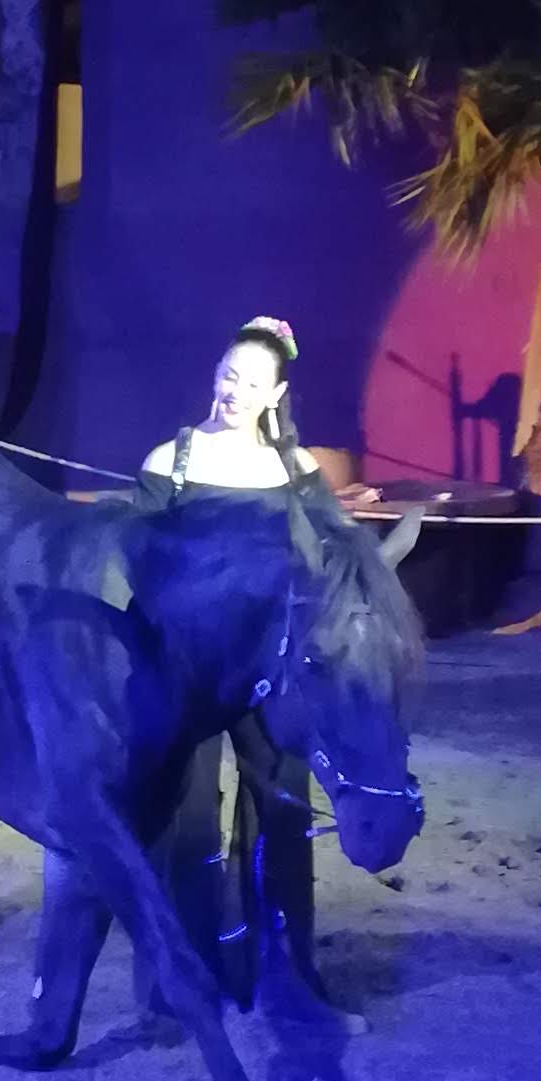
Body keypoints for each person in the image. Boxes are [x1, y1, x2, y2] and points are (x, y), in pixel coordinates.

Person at [134, 318, 364, 1014]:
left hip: (271, 676)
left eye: (253, 382)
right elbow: (140, 565)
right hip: (191, 677)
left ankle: (288, 972)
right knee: (189, 820)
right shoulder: (169, 459)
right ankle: (192, 977)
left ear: (276, 394)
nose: (236, 390)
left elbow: (323, 566)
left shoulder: (295, 472)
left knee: (282, 812)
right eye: (230, 374)